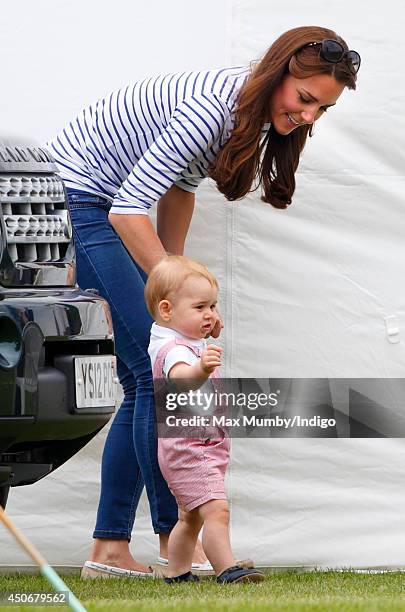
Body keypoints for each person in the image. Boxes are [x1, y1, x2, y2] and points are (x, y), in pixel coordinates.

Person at [46, 25, 359, 578]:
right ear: (279, 72)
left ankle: (115, 546)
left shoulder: (243, 113)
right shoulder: (213, 108)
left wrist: (179, 270)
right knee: (154, 378)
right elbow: (127, 208)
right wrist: (172, 281)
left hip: (110, 199)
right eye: (305, 99)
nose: (309, 117)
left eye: (322, 110)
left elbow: (179, 189)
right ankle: (168, 539)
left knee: (146, 381)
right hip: (83, 195)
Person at [145, 255, 265, 583]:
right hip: (190, 448)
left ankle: (178, 572)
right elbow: (181, 379)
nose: (210, 315)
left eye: (212, 306)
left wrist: (204, 322)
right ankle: (227, 568)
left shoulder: (178, 337)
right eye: (201, 307)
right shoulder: (174, 350)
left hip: (196, 444)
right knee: (216, 509)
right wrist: (201, 368)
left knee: (190, 517)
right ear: (167, 310)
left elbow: (192, 334)